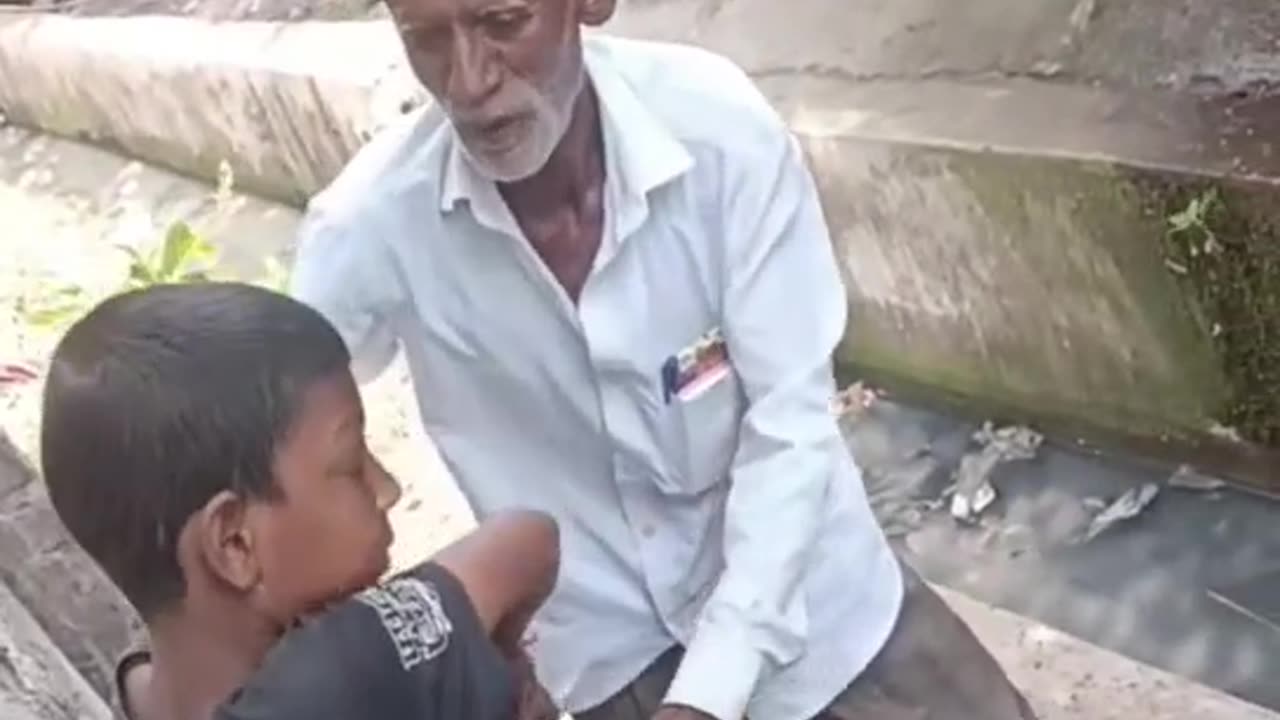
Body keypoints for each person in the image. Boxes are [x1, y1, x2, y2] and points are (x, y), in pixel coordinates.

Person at [290, 0, 1038, 718]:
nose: (469, 82)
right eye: (426, 39)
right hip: (616, 666)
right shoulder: (372, 229)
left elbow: (792, 422)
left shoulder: (719, 135)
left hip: (826, 619)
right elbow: (265, 432)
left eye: (504, 23)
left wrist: (712, 686)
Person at [39, 282, 561, 720]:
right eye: (352, 465)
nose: (388, 489)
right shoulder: (347, 667)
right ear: (236, 544)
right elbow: (526, 539)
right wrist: (498, 663)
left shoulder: (142, 686)